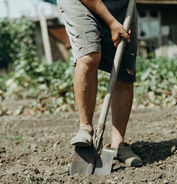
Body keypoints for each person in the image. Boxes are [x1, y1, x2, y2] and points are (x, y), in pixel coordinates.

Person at [57, 0, 143, 167]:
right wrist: (111, 22)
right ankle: (86, 129)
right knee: (89, 55)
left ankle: (118, 144)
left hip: (121, 4)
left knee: (124, 69)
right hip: (80, 2)